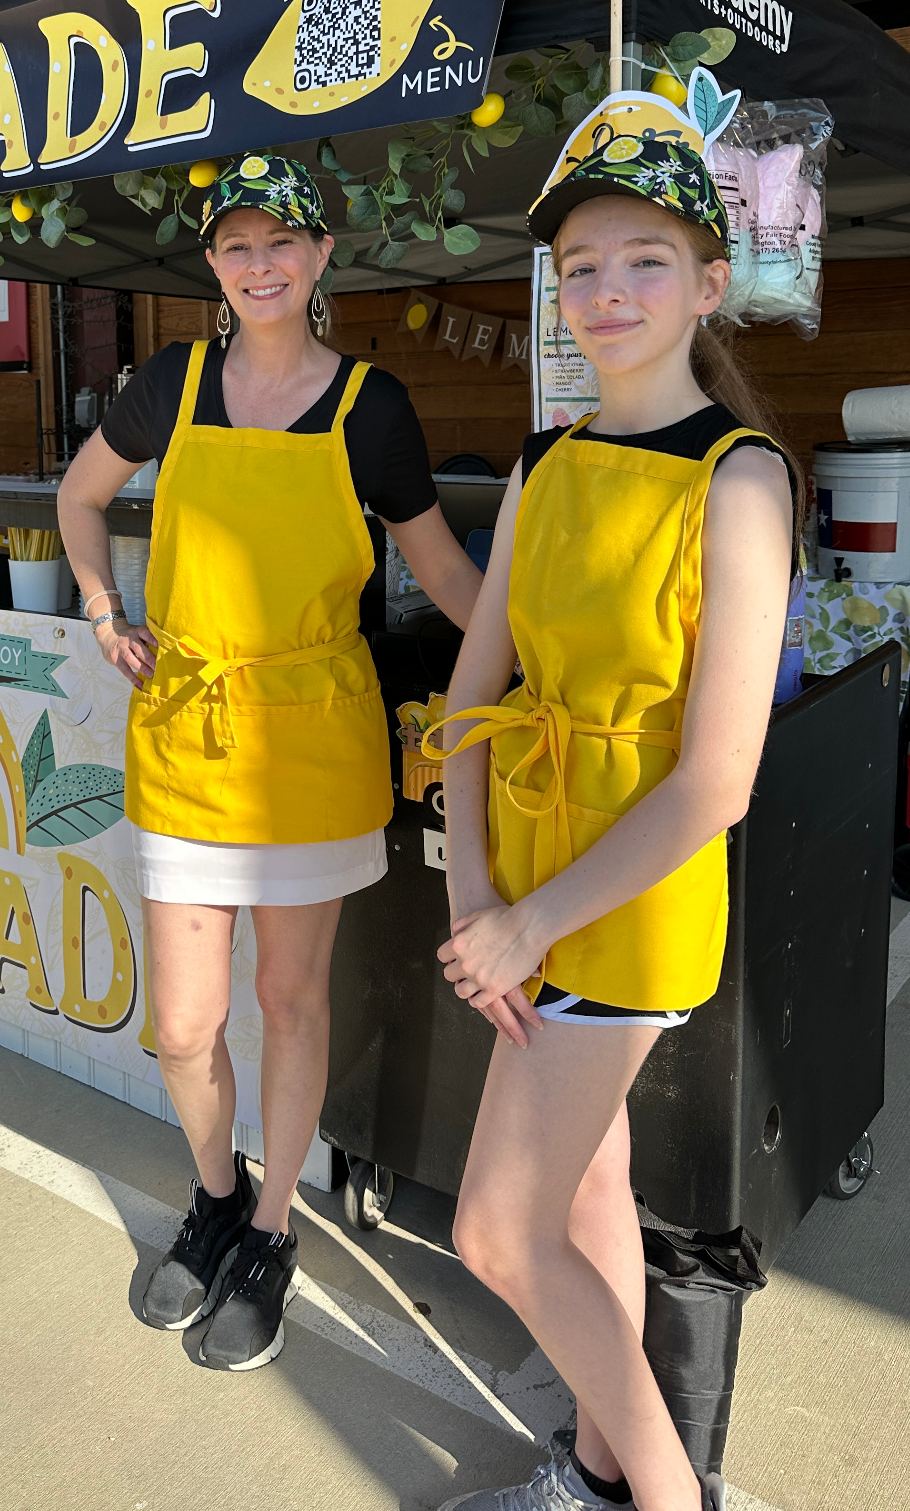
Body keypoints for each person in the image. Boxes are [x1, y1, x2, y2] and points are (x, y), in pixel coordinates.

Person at [58, 154, 481, 1371]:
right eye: (237, 245)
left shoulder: (372, 408)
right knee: (185, 1026)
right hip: (189, 732)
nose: (261, 264)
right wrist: (103, 610)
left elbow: (444, 571)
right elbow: (80, 498)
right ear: (212, 263)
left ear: (321, 255)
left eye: (282, 241)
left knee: (292, 1003)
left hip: (312, 735)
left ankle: (272, 1228)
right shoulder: (168, 385)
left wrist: (545, 659)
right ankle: (216, 1192)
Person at [427, 127, 798, 1511]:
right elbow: (473, 692)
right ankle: (595, 1474)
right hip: (523, 887)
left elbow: (717, 782)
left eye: (645, 260)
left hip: (625, 906)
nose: (606, 290)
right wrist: (474, 898)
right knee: (585, 1196)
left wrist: (524, 925)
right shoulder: (549, 462)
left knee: (496, 1233)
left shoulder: (741, 478)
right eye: (580, 266)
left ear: (708, 284)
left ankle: (666, 1497)